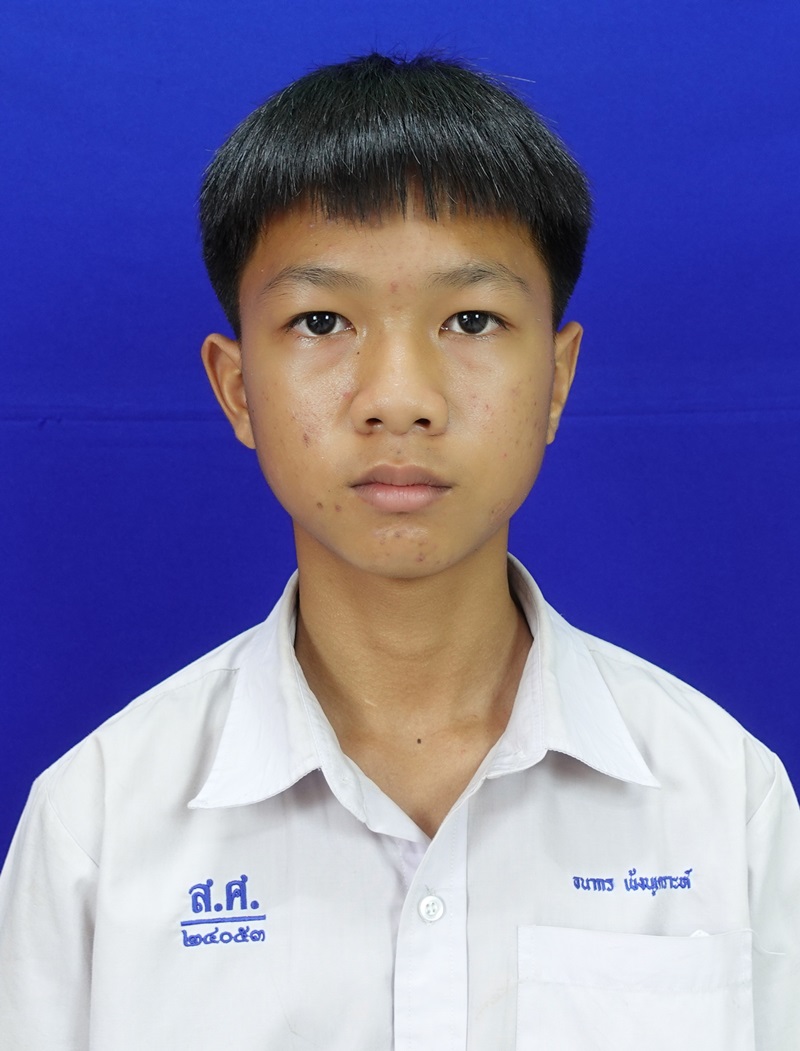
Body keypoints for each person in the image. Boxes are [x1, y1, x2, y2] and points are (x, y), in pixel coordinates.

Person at [0, 52, 797, 1050]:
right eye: (320, 320)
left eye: (470, 319)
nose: (399, 396)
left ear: (557, 378)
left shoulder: (724, 799)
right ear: (237, 388)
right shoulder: (98, 825)